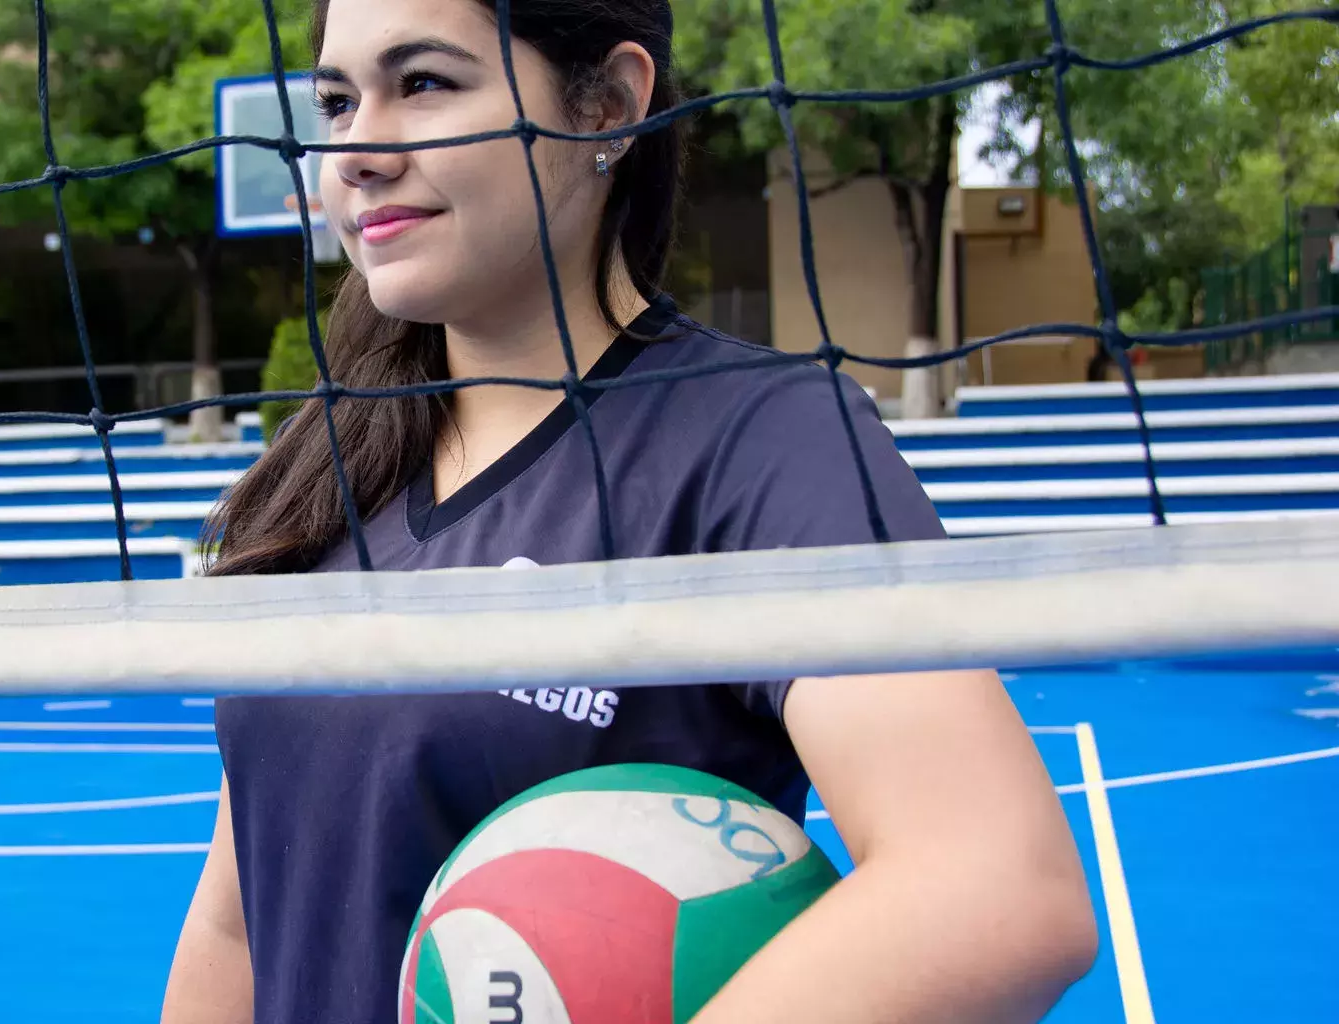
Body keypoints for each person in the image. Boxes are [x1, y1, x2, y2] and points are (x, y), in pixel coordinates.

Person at [162, 0, 1099, 1021]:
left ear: (606, 106)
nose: (356, 150)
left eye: (423, 82)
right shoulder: (327, 461)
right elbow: (237, 922)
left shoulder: (756, 438)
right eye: (338, 101)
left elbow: (998, 885)